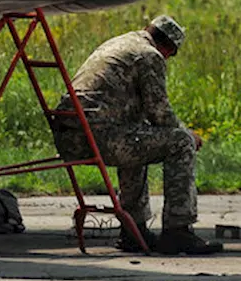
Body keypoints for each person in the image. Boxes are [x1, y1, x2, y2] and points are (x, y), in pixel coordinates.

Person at [52, 15, 222, 255]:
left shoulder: (119, 43)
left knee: (139, 135)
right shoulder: (150, 56)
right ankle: (178, 231)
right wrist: (189, 134)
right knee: (181, 143)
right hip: (98, 138)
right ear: (169, 48)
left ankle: (134, 231)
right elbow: (160, 113)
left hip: (73, 136)